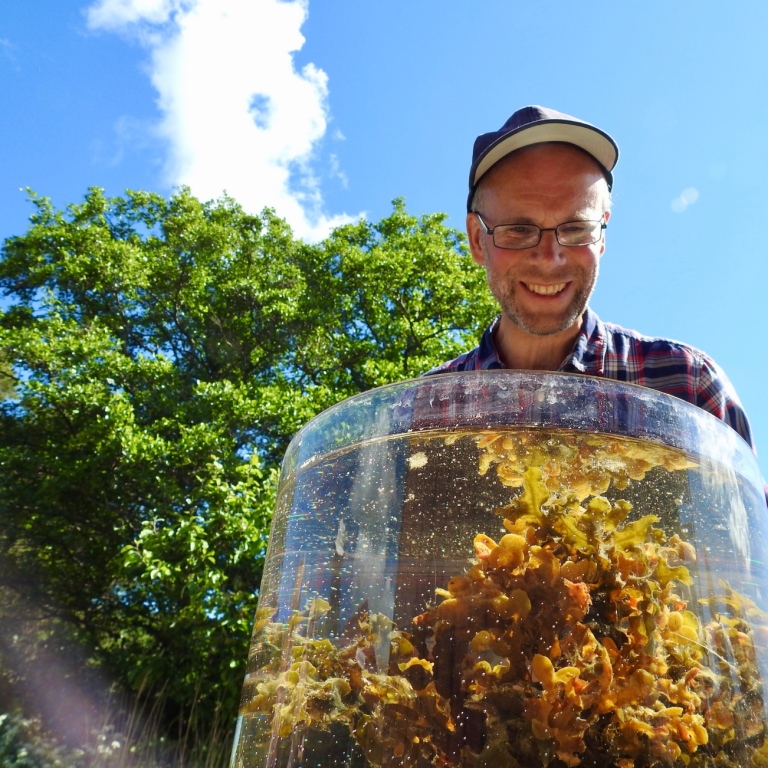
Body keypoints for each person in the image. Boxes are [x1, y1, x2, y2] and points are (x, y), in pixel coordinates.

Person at [426, 105, 756, 451]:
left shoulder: (689, 385)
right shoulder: (425, 409)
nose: (550, 258)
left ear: (602, 235)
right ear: (478, 241)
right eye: (519, 230)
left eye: (575, 228)